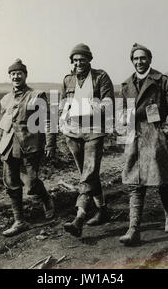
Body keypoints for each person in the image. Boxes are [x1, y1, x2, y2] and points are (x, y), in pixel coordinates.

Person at [119, 43, 168, 246]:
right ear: (132, 61)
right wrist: (124, 121)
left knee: (161, 180)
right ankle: (134, 229)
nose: (139, 62)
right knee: (134, 184)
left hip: (156, 138)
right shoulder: (126, 85)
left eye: (143, 58)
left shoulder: (161, 81)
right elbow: (125, 110)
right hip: (135, 139)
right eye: (135, 59)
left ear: (149, 60)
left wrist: (166, 130)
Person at [0, 59, 56, 237]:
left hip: (30, 144)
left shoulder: (37, 95)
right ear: (9, 76)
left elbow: (48, 121)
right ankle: (19, 221)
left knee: (32, 184)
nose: (16, 76)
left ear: (25, 75)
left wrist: (50, 143)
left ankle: (46, 199)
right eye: (13, 74)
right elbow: (2, 125)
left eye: (19, 73)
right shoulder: (6, 99)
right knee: (11, 183)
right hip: (8, 145)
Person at [60, 43, 115, 237]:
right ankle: (103, 210)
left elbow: (108, 102)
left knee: (89, 173)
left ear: (89, 60)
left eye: (82, 59)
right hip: (73, 133)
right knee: (88, 174)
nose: (78, 63)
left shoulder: (101, 76)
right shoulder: (68, 80)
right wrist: (62, 120)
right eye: (75, 60)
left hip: (94, 131)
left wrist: (90, 108)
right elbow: (63, 104)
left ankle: (80, 216)